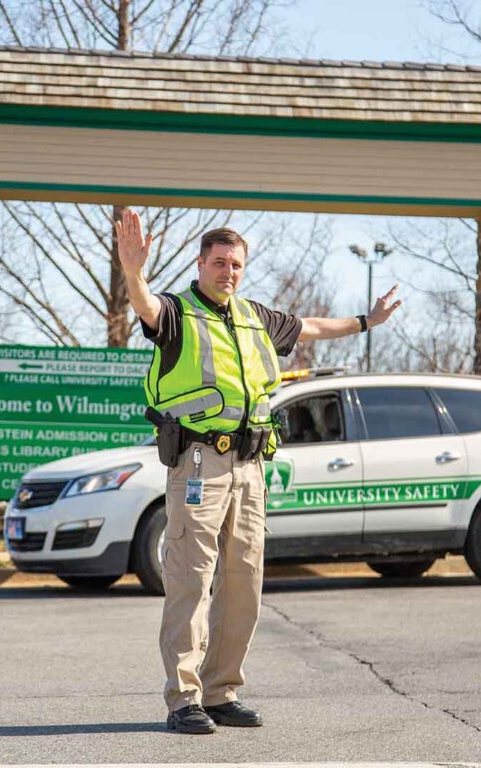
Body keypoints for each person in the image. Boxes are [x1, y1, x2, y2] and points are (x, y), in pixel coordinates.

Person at [115, 209, 401, 735]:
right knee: (190, 582)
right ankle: (184, 699)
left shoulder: (254, 317)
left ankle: (222, 692)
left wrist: (366, 321)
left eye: (236, 264)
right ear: (200, 265)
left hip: (250, 469)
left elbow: (312, 326)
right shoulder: (177, 313)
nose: (228, 271)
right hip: (199, 463)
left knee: (244, 581)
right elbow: (146, 305)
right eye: (219, 262)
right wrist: (134, 271)